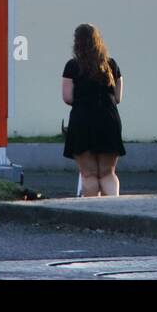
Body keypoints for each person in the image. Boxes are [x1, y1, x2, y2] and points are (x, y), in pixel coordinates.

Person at [62, 23, 125, 196]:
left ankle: (92, 211)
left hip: (82, 120)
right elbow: (117, 98)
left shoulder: (72, 66)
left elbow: (68, 97)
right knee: (107, 173)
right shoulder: (112, 65)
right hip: (109, 120)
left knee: (88, 174)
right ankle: (112, 212)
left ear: (77, 43)